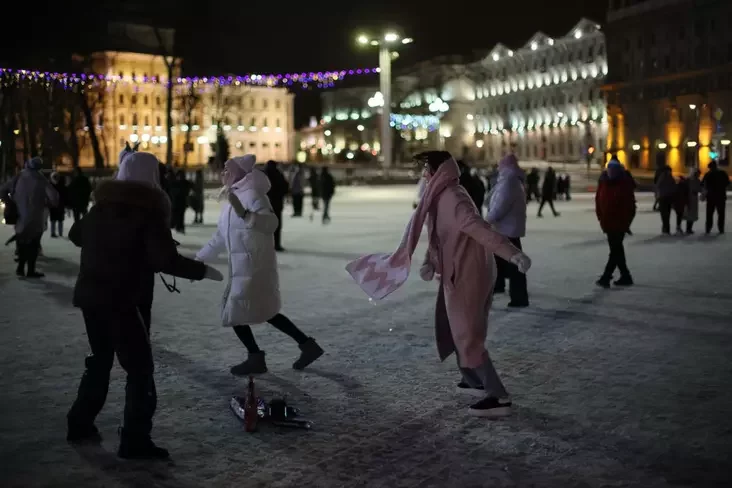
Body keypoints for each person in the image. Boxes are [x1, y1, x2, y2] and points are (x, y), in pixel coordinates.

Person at [346, 151, 531, 418]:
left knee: (467, 333)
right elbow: (440, 236)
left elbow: (479, 228)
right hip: (455, 270)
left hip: (469, 273)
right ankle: (472, 378)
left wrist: (512, 253)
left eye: (427, 169)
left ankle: (498, 395)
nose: (424, 174)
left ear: (439, 172)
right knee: (453, 327)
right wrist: (430, 260)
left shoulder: (453, 198)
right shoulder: (439, 197)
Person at [66, 150, 223, 459]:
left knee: (100, 360)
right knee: (140, 370)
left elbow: (76, 234)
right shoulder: (148, 212)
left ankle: (79, 422)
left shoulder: (102, 208)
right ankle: (135, 440)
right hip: (123, 301)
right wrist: (202, 271)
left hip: (92, 298)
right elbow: (164, 260)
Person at [196, 155, 324, 376]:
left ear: (240, 173)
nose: (223, 174)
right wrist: (199, 259)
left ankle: (256, 357)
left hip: (254, 266)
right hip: (242, 267)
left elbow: (271, 223)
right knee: (264, 311)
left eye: (227, 170)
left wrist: (246, 214)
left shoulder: (253, 196)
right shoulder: (232, 199)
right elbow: (219, 238)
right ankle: (306, 345)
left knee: (236, 311)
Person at [0, 157, 58, 278]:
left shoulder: (19, 177)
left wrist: (10, 201)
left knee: (22, 242)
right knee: (33, 244)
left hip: (20, 216)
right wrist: (48, 204)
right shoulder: (41, 179)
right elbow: (53, 197)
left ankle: (20, 267)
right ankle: (31, 270)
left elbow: (3, 190)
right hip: (36, 217)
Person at [485, 154, 529, 307]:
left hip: (506, 230)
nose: (498, 167)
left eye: (500, 164)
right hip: (508, 228)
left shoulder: (509, 182)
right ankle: (500, 285)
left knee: (514, 264)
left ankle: (519, 297)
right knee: (502, 260)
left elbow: (500, 206)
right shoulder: (510, 180)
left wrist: (486, 221)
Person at [595, 159, 635, 288]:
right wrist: (601, 218)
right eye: (610, 169)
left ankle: (606, 277)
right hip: (607, 222)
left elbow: (630, 206)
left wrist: (626, 223)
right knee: (617, 250)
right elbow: (598, 201)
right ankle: (625, 275)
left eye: (614, 169)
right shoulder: (604, 183)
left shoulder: (624, 184)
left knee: (615, 250)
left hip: (619, 223)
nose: (611, 172)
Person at [264, 160, 289, 251]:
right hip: (276, 204)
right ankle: (276, 244)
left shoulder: (263, 175)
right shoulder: (278, 174)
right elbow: (285, 187)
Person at [702, 161, 730, 234]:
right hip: (721, 196)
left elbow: (702, 184)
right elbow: (727, 183)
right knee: (721, 214)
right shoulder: (722, 173)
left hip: (711, 197)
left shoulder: (708, 174)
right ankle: (721, 228)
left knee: (709, 214)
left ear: (710, 167)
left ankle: (708, 228)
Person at [656, 166, 677, 235]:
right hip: (664, 198)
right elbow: (658, 186)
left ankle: (666, 229)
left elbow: (673, 187)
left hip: (668, 197)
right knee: (664, 214)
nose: (670, 172)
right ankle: (666, 229)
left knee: (666, 214)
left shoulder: (670, 178)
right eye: (669, 170)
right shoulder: (663, 177)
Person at [49, 171, 67, 238]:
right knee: (60, 220)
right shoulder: (62, 186)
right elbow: (65, 195)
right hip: (60, 205)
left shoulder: (50, 185)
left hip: (53, 205)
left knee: (53, 219)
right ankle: (60, 233)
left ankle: (53, 232)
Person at [685, 168, 701, 234]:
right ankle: (688, 229)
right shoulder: (690, 180)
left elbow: (699, 188)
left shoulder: (695, 180)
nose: (698, 175)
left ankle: (689, 228)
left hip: (693, 199)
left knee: (691, 214)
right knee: (690, 214)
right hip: (689, 199)